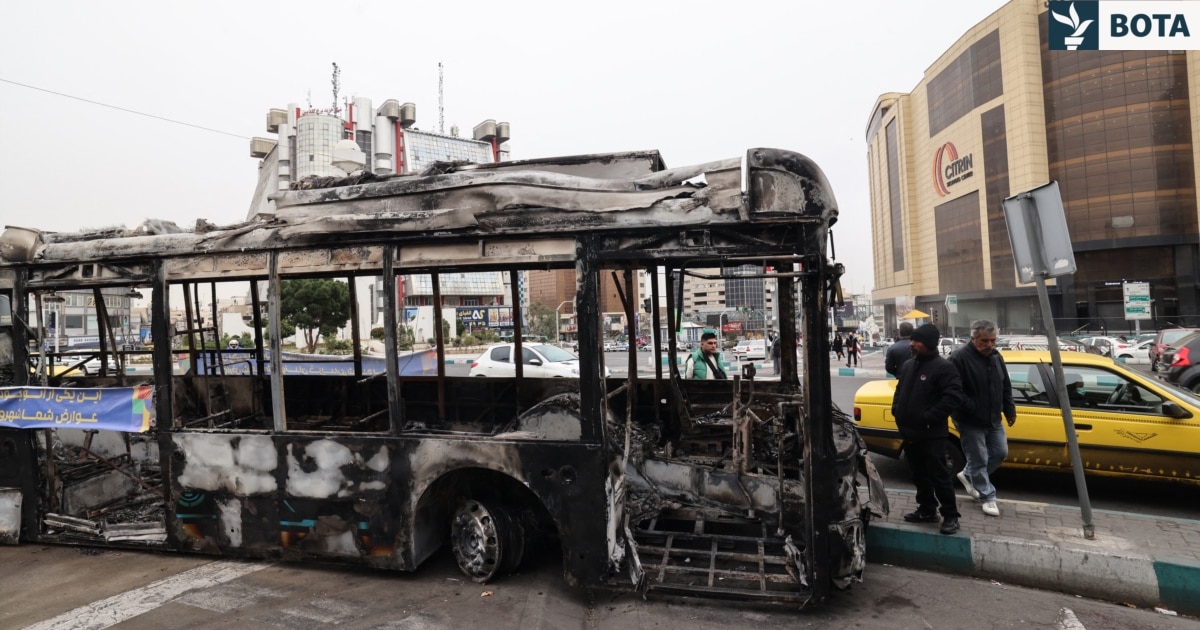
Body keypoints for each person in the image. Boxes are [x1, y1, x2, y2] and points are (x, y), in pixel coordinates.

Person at [892, 323, 965, 535]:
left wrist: (928, 417)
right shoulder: (907, 365)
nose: (912, 344)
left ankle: (951, 516)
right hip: (910, 433)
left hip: (931, 434)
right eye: (912, 340)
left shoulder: (944, 368)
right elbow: (899, 391)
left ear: (930, 344)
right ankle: (926, 509)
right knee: (918, 475)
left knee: (939, 476)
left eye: (917, 341)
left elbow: (953, 398)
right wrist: (897, 410)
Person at [949, 319, 1016, 518]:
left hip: (993, 418)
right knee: (979, 458)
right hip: (969, 419)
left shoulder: (996, 357)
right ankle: (987, 496)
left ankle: (968, 475)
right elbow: (954, 391)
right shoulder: (958, 358)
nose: (989, 345)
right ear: (973, 338)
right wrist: (972, 407)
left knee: (1000, 452)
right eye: (985, 341)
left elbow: (1006, 385)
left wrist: (1009, 409)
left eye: (993, 340)